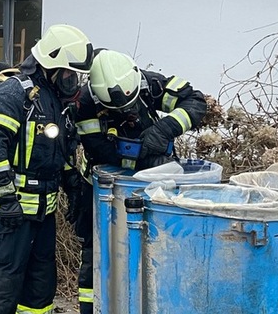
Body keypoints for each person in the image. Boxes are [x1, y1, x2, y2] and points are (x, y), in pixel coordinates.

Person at [70, 49, 207, 314]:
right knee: (96, 253)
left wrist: (163, 129)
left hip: (156, 186)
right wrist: (139, 155)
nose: (127, 111)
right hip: (102, 188)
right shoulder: (86, 102)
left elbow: (195, 102)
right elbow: (99, 149)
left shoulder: (150, 84)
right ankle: (94, 307)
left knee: (160, 248)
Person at [0, 24, 93, 314]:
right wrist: (6, 199)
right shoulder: (13, 94)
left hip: (42, 212)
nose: (72, 80)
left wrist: (73, 184)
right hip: (8, 214)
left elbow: (57, 150)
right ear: (50, 65)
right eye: (68, 73)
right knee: (3, 289)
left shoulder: (56, 101)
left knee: (39, 290)